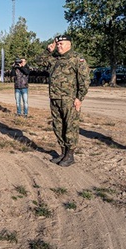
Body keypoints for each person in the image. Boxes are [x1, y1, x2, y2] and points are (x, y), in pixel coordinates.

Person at [44, 35, 90, 167]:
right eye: (57, 44)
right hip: (55, 98)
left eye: (62, 44)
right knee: (58, 126)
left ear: (69, 44)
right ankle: (63, 152)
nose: (59, 46)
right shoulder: (54, 59)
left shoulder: (77, 58)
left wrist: (79, 98)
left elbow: (84, 81)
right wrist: (48, 51)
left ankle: (70, 155)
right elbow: (39, 62)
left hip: (69, 99)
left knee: (70, 127)